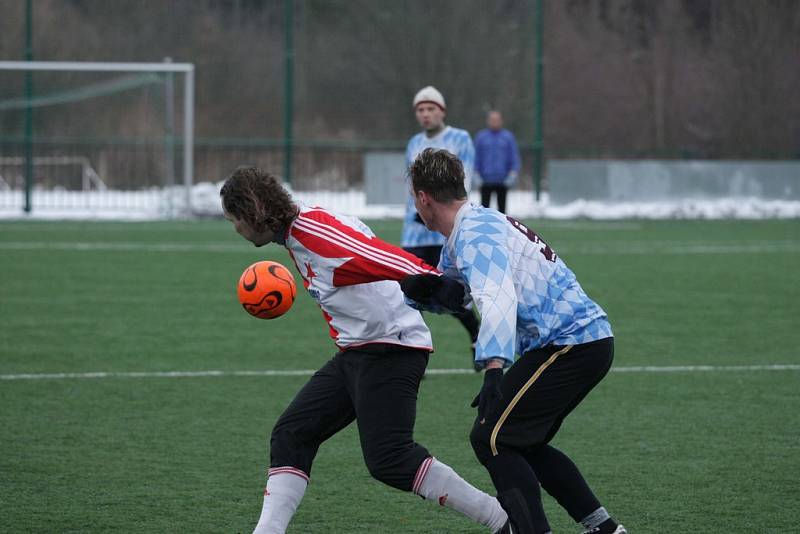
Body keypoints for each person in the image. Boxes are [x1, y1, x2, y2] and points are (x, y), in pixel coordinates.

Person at [219, 166, 512, 534]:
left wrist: (432, 280)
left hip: (391, 347)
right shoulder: (301, 226)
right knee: (292, 434)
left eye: (234, 220)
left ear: (253, 212)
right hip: (359, 350)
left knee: (390, 459)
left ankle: (502, 519)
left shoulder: (314, 237)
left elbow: (374, 254)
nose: (236, 230)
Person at [401, 148, 627, 534]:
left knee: (491, 437)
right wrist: (422, 292)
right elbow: (456, 291)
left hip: (571, 343)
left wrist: (492, 367)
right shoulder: (472, 228)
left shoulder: (472, 235)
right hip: (578, 342)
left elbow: (498, 297)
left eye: (413, 199)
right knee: (523, 442)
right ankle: (605, 529)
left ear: (423, 197)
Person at [402, 85, 481, 369]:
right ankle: (415, 352)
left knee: (450, 292)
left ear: (442, 111)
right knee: (410, 291)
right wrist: (415, 211)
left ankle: (475, 332)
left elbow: (465, 178)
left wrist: (453, 213)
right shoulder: (413, 143)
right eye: (421, 110)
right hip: (414, 231)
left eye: (430, 109)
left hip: (447, 230)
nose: (425, 114)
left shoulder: (460, 138)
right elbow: (409, 185)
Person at [473, 110, 521, 214]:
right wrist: (476, 173)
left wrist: (513, 173)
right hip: (485, 181)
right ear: (488, 121)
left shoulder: (508, 137)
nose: (494, 122)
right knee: (484, 212)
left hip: (503, 181)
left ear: (501, 121)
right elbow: (476, 157)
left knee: (502, 213)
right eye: (492, 120)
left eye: (497, 120)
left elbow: (514, 157)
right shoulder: (481, 137)